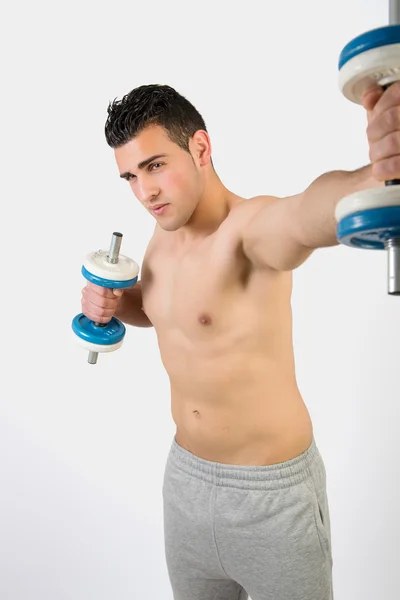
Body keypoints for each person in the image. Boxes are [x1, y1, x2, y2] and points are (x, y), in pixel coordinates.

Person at [81, 83, 398, 599]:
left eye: (156, 166)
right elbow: (167, 310)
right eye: (131, 177)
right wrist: (115, 301)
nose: (146, 192)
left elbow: (304, 214)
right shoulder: (164, 232)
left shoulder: (249, 230)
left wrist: (375, 175)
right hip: (184, 483)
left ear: (201, 149)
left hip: (271, 501)